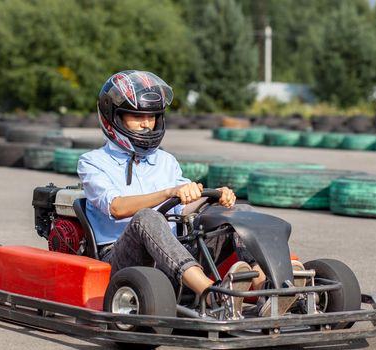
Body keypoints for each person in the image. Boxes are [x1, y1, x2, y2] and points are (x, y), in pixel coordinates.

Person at [77, 70, 266, 319]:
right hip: (122, 259)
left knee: (240, 214)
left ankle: (267, 290)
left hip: (171, 253)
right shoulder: (93, 162)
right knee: (148, 217)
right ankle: (211, 294)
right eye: (137, 116)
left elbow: (182, 209)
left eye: (152, 116)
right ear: (114, 117)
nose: (147, 124)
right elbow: (116, 207)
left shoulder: (165, 161)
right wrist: (168, 192)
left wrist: (215, 198)